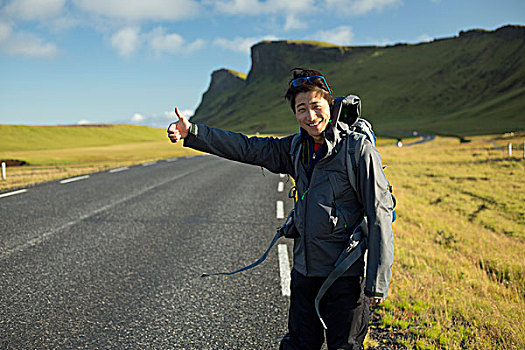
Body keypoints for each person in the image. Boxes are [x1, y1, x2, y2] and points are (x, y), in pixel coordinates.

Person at [167, 68, 394, 350]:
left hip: (344, 278)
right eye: (301, 109)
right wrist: (194, 133)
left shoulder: (357, 151)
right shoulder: (295, 148)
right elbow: (247, 147)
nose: (310, 116)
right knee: (299, 345)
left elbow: (379, 213)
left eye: (315, 106)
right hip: (303, 273)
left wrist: (377, 281)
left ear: (330, 105)